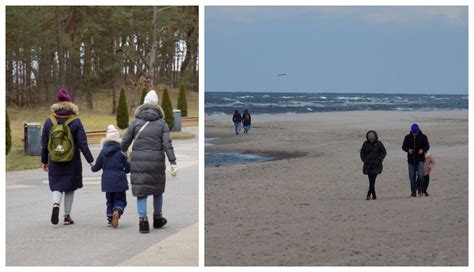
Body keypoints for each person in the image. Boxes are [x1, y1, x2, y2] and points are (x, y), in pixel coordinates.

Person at [121, 90, 177, 234]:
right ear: (157, 105)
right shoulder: (162, 123)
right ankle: (158, 218)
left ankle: (143, 222)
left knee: (142, 192)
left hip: (138, 162)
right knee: (157, 191)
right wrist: (173, 162)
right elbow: (167, 144)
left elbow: (125, 142)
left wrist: (121, 154)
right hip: (157, 162)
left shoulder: (135, 122)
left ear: (144, 103)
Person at [41, 89, 94, 225]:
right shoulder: (75, 121)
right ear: (70, 103)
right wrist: (90, 160)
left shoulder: (49, 121)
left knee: (57, 185)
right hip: (72, 161)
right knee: (70, 187)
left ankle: (55, 204)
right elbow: (83, 144)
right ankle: (66, 216)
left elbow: (44, 144)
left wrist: (44, 161)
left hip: (55, 159)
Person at [91, 125, 130, 228]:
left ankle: (109, 218)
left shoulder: (103, 152)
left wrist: (92, 167)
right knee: (120, 199)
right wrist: (126, 170)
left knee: (110, 200)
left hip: (107, 181)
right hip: (119, 179)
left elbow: (96, 167)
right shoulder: (122, 151)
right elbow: (127, 166)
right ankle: (117, 210)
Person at [402, 123, 430, 197]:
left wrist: (422, 150)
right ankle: (413, 193)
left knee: (421, 175)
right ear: (411, 131)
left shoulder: (423, 137)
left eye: (416, 133)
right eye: (413, 133)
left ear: (418, 131)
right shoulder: (407, 137)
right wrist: (408, 150)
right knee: (412, 177)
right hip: (411, 160)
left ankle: (420, 189)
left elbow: (427, 146)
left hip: (420, 159)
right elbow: (403, 147)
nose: (415, 134)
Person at [360, 130, 387, 200]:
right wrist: (364, 160)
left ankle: (368, 195)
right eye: (370, 139)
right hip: (368, 166)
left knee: (372, 181)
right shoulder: (365, 144)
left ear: (375, 137)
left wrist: (380, 159)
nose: (371, 140)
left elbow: (384, 152)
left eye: (372, 139)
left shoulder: (379, 143)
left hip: (376, 165)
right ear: (368, 138)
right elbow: (362, 153)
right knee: (371, 181)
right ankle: (374, 196)